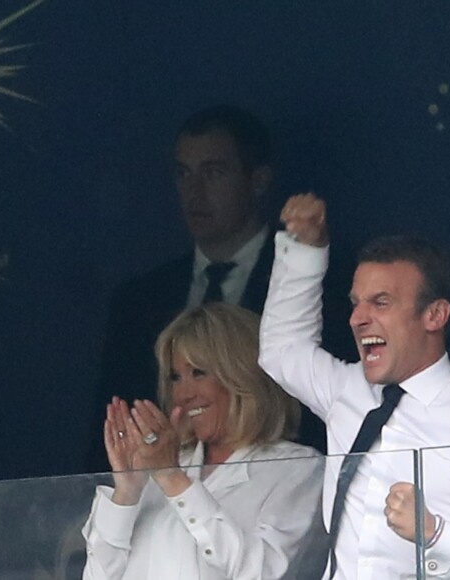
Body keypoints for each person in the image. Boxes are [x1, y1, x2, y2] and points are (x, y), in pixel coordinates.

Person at [259, 192, 450, 578]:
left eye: (381, 303)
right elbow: (282, 351)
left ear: (434, 314)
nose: (357, 318)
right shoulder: (344, 391)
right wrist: (306, 250)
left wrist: (436, 535)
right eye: (357, 302)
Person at [89, 106, 326, 473]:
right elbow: (111, 431)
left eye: (214, 173)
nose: (194, 191)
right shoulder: (138, 300)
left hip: (276, 490)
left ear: (258, 179)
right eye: (183, 174)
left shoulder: (323, 285)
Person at [82, 303, 327, 579]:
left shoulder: (298, 468)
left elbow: (264, 573)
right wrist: (127, 491)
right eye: (175, 377)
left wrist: (174, 481)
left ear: (241, 375)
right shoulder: (160, 467)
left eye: (198, 373)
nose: (184, 394)